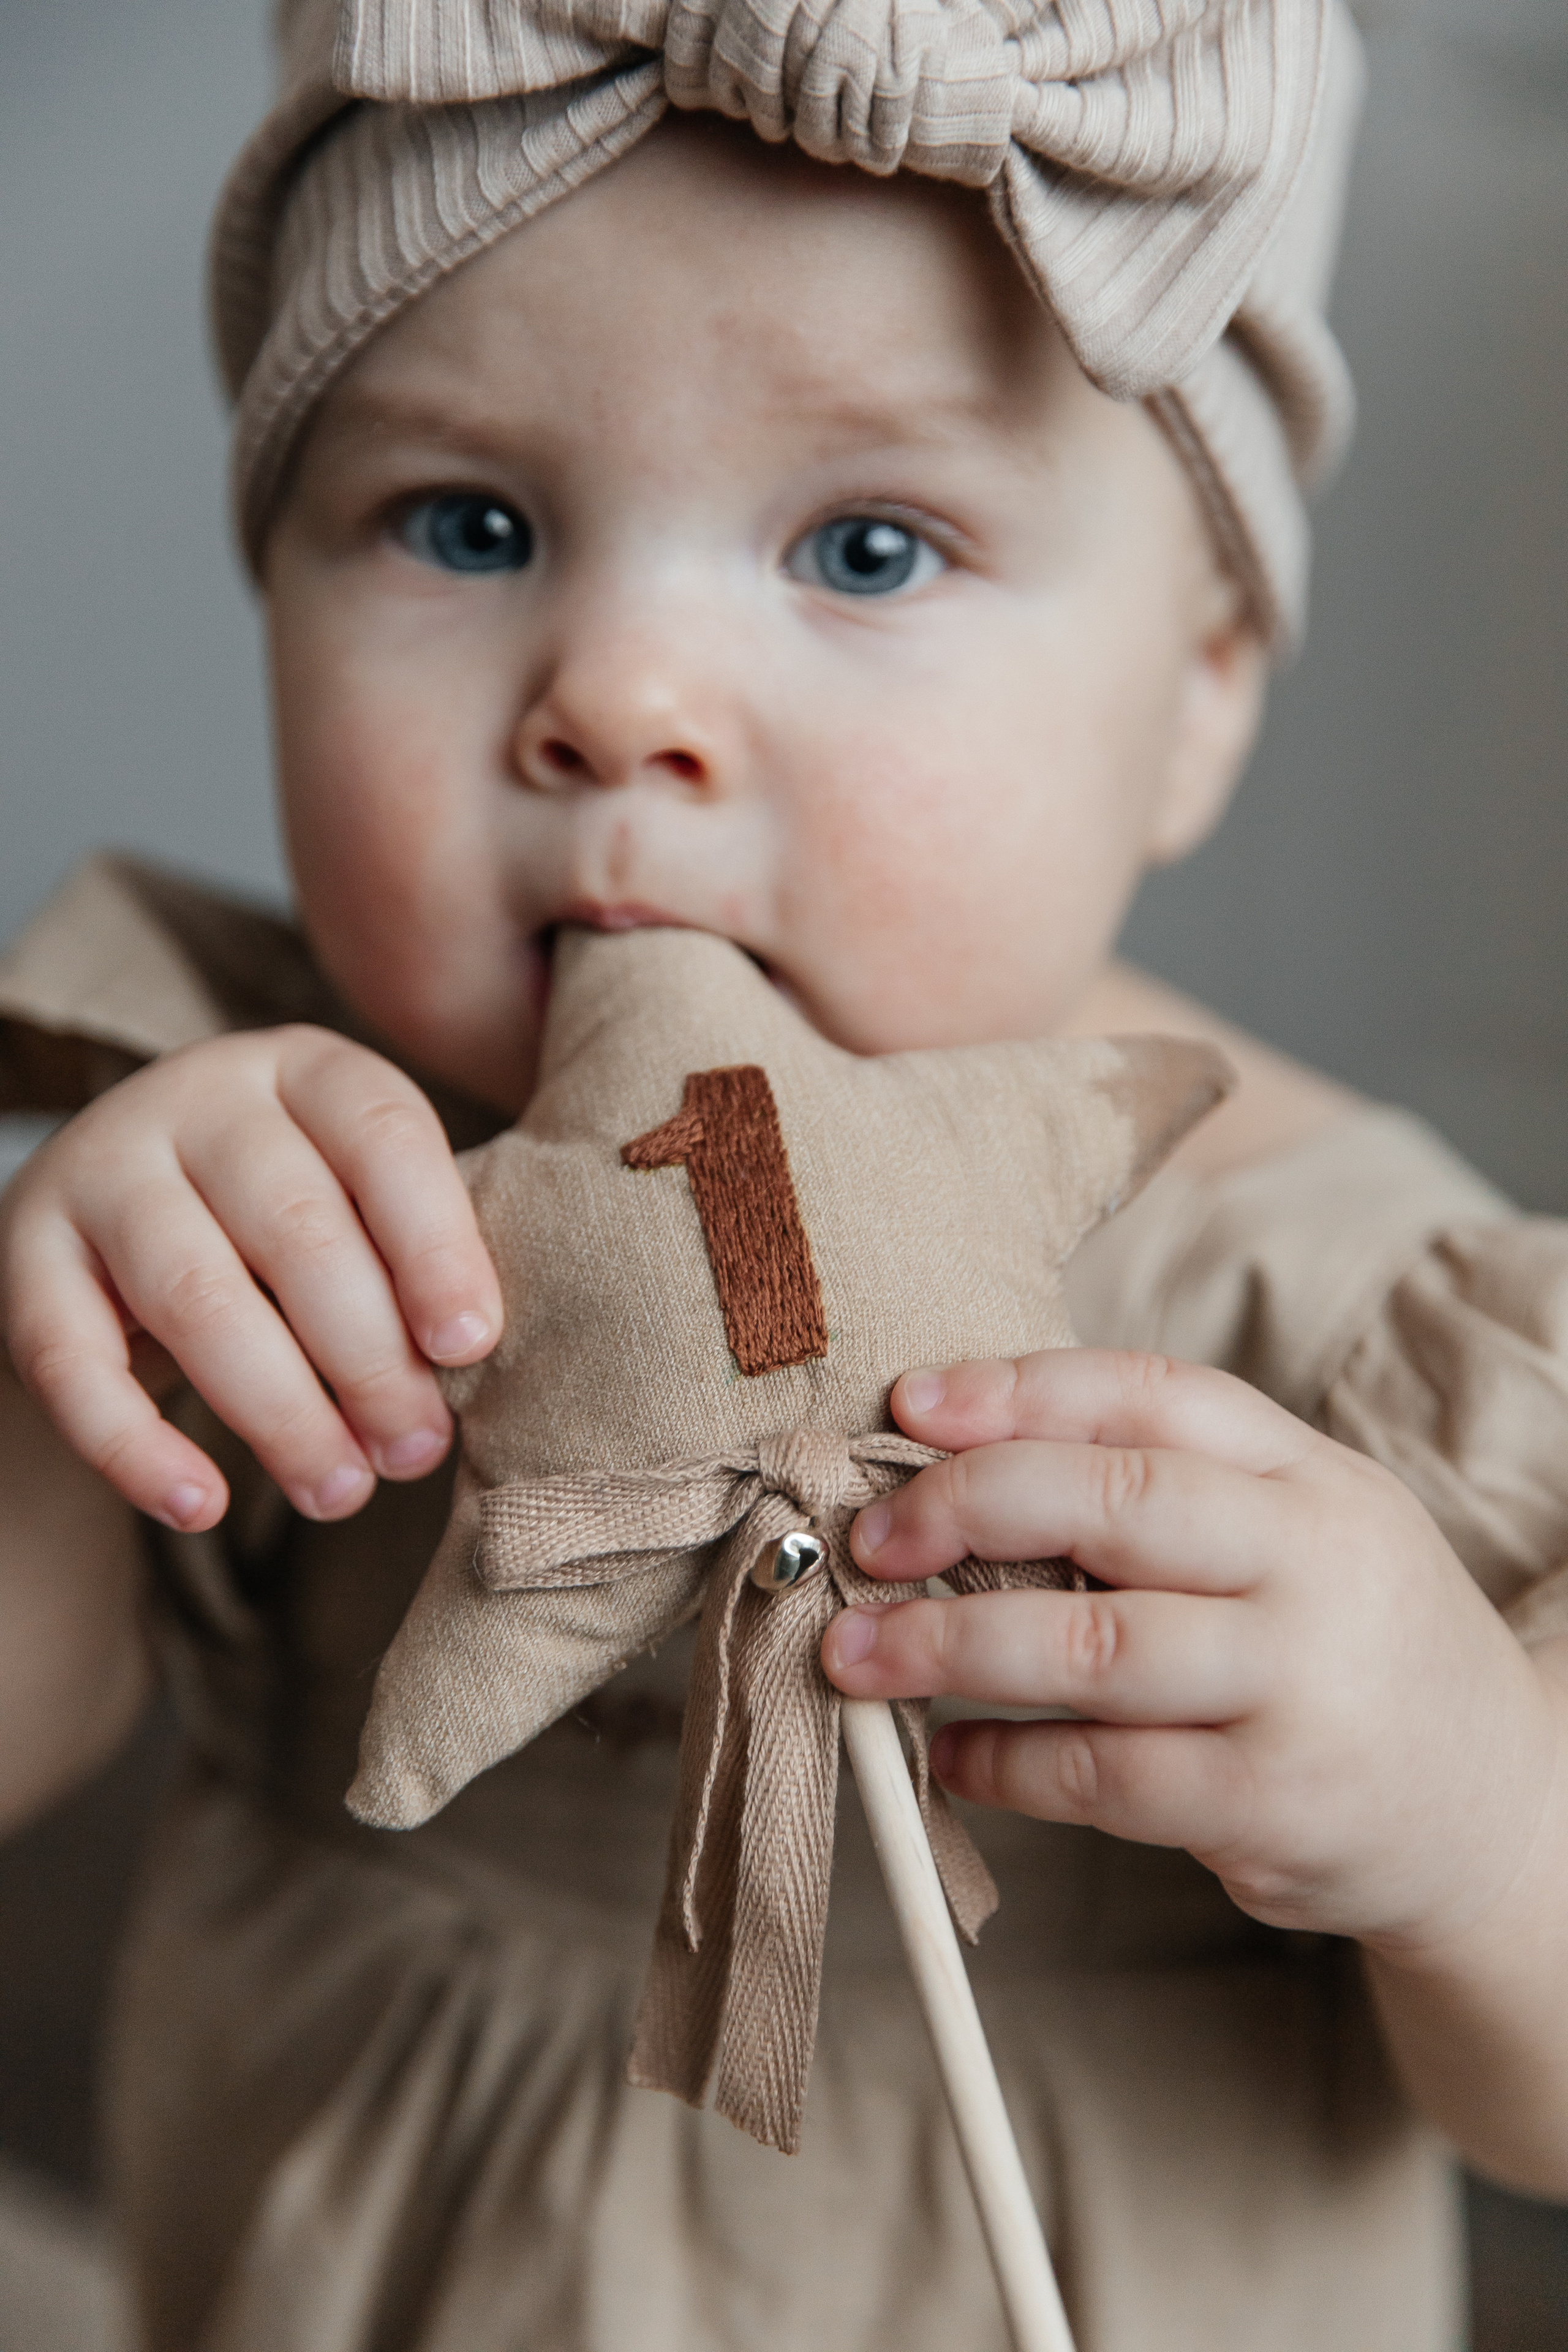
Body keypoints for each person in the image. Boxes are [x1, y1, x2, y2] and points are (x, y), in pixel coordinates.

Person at [2, 1, 1567, 2345]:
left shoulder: (1369, 1325)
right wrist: (58, 1406)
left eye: (865, 544)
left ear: (1205, 680)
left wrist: (1470, 1808)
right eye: (471, 522)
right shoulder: (283, 1186)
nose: (619, 687)